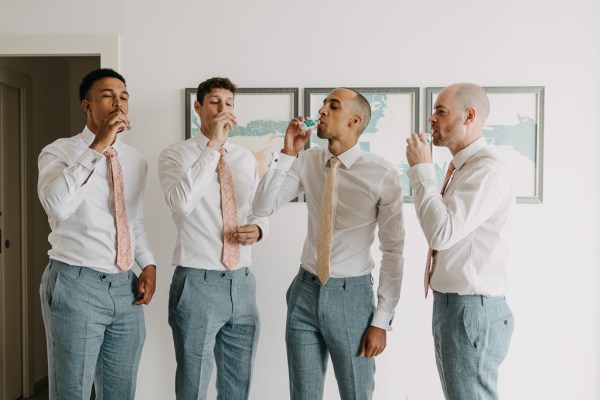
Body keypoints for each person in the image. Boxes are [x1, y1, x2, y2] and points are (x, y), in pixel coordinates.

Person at [253, 87, 405, 400]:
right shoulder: (305, 161)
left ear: (355, 121)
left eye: (333, 106)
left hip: (352, 298)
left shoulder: (382, 174)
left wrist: (382, 320)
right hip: (304, 293)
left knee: (356, 393)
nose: (321, 111)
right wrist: (287, 153)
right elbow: (261, 208)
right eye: (323, 104)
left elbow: (393, 251)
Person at [38, 68, 156, 400]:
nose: (118, 102)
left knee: (121, 392)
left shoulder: (135, 160)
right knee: (71, 391)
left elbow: (133, 221)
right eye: (108, 95)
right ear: (87, 105)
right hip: (75, 285)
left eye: (124, 96)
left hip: (124, 286)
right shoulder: (58, 152)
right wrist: (98, 146)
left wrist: (147, 264)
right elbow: (57, 207)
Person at [158, 77, 268, 400]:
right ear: (198, 108)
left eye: (229, 103)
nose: (223, 110)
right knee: (193, 384)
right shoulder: (174, 155)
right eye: (215, 102)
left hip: (243, 282)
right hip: (197, 282)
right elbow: (181, 202)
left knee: (238, 383)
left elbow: (257, 208)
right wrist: (213, 148)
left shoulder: (246, 158)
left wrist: (259, 229)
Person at [406, 83, 514, 400]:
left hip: (470, 311)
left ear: (468, 115)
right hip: (458, 307)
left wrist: (421, 170)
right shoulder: (464, 169)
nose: (431, 119)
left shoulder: (486, 171)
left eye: (441, 111)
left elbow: (442, 232)